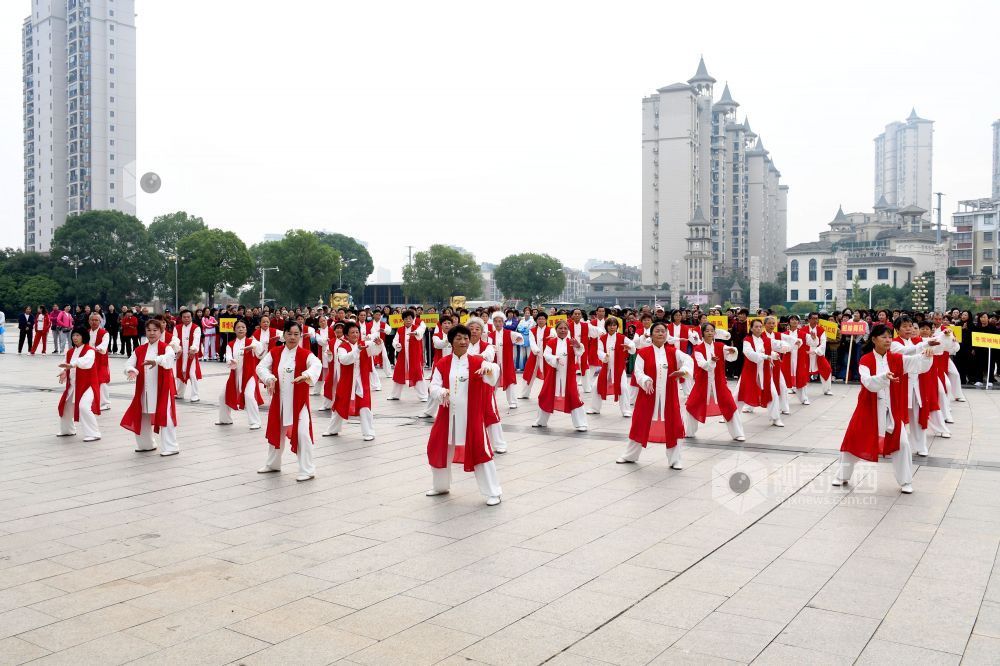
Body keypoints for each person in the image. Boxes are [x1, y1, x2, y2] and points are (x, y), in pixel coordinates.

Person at [834, 324, 934, 494]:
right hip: (868, 408)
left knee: (902, 443)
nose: (888, 340)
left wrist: (926, 356)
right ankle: (842, 475)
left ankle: (905, 481)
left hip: (891, 409)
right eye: (884, 337)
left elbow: (916, 363)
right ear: (874, 339)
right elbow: (868, 382)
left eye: (890, 337)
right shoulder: (865, 359)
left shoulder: (895, 358)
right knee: (853, 441)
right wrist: (883, 377)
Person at [425, 324, 503, 506]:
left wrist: (489, 370)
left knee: (480, 450)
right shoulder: (443, 363)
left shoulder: (476, 361)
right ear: (451, 341)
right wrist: (441, 392)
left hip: (471, 416)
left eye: (466, 338)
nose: (463, 341)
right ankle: (441, 486)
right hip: (447, 415)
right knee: (438, 447)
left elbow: (494, 370)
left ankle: (493, 492)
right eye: (459, 338)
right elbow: (433, 386)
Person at [616, 321, 693, 468]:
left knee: (674, 424)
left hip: (669, 395)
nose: (660, 333)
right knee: (640, 422)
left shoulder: (673, 351)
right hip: (648, 393)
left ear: (667, 335)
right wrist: (646, 379)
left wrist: (683, 370)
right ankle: (630, 455)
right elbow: (638, 371)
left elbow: (688, 359)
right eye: (657, 331)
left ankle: (675, 460)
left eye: (663, 331)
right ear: (651, 335)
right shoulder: (644, 352)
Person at [256, 322, 322, 482]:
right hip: (279, 400)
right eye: (289, 334)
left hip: (298, 402)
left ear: (300, 336)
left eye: (296, 334)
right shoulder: (275, 352)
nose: (292, 337)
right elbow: (261, 367)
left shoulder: (306, 354)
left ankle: (307, 469)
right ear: (284, 335)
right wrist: (269, 378)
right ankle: (273, 464)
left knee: (303, 433)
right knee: (276, 431)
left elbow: (317, 364)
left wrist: (306, 375)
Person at [891, 316, 949, 456]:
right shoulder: (894, 343)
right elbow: (907, 352)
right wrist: (924, 348)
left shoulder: (916, 340)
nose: (909, 329)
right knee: (897, 416)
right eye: (905, 326)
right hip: (900, 385)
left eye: (910, 326)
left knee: (917, 416)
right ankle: (895, 444)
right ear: (897, 329)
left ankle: (921, 446)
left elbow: (935, 344)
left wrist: (945, 334)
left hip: (916, 385)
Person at [120, 319, 179, 456]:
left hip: (162, 387)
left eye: (155, 330)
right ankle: (146, 444)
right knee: (142, 414)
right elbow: (129, 363)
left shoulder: (166, 347)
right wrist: (131, 370)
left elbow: (169, 359)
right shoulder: (140, 349)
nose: (152, 333)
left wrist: (157, 360)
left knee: (166, 415)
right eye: (149, 330)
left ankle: (171, 447)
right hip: (144, 389)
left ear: (160, 331)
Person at [686, 322, 745, 442]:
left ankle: (738, 433)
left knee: (730, 405)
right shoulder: (698, 349)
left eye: (711, 331)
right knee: (691, 405)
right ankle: (689, 432)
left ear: (714, 333)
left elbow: (729, 355)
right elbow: (702, 365)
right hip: (702, 383)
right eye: (707, 331)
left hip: (719, 383)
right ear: (702, 333)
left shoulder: (720, 346)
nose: (709, 333)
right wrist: (712, 362)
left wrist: (732, 350)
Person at [323, 321, 380, 441]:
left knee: (364, 406)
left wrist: (379, 344)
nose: (355, 334)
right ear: (347, 335)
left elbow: (375, 350)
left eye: (357, 332)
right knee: (339, 405)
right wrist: (357, 350)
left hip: (361, 381)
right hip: (346, 382)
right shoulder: (342, 348)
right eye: (352, 332)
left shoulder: (364, 344)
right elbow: (344, 360)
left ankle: (369, 432)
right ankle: (333, 429)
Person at [534, 319, 588, 431]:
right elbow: (546, 355)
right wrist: (555, 359)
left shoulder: (572, 342)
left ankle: (581, 423)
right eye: (560, 328)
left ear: (568, 330)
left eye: (565, 328)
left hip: (569, 375)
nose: (563, 330)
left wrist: (578, 346)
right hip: (553, 374)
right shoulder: (551, 342)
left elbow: (579, 353)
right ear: (556, 329)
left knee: (573, 396)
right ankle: (541, 421)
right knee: (546, 395)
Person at [216, 321, 264, 430]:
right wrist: (231, 361)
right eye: (238, 327)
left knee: (249, 396)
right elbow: (228, 356)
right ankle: (225, 419)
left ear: (246, 330)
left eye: (243, 327)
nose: (241, 329)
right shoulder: (230, 344)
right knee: (222, 395)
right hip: (235, 375)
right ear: (234, 330)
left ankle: (255, 422)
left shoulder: (252, 342)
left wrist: (254, 346)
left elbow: (260, 351)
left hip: (249, 375)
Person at [56, 327, 101, 442]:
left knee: (84, 406)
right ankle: (68, 430)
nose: (75, 338)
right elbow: (65, 364)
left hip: (88, 384)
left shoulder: (89, 350)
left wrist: (72, 365)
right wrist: (63, 372)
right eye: (73, 335)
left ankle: (94, 433)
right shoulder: (70, 351)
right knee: (65, 406)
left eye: (78, 335)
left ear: (83, 337)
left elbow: (87, 362)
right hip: (74, 384)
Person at [737, 319, 784, 427]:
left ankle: (775, 418)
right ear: (751, 328)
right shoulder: (747, 340)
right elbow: (749, 354)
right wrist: (765, 356)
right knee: (739, 393)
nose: (758, 329)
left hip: (764, 371)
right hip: (750, 371)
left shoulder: (765, 339)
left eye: (760, 327)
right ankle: (729, 415)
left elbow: (771, 349)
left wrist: (774, 354)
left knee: (773, 393)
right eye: (756, 327)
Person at [588, 318, 635, 417]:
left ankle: (626, 410)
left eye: (614, 325)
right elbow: (599, 351)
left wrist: (629, 347)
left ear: (617, 326)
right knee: (596, 386)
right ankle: (594, 408)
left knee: (623, 387)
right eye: (610, 325)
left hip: (618, 368)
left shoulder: (622, 337)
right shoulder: (602, 338)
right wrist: (604, 356)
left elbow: (631, 344)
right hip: (606, 367)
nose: (612, 327)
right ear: (606, 327)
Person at [388, 310, 428, 402]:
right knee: (398, 373)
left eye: (410, 318)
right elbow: (395, 341)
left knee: (417, 373)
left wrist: (416, 333)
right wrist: (397, 345)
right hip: (402, 355)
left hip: (414, 355)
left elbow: (421, 331)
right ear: (403, 320)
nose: (408, 320)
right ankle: (395, 395)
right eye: (406, 319)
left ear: (413, 319)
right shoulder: (400, 329)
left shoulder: (417, 328)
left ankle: (423, 395)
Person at [489, 311, 524, 410]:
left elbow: (520, 338)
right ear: (493, 323)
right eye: (496, 321)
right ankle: (490, 401)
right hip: (494, 362)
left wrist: (518, 339)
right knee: (492, 381)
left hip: (507, 361)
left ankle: (512, 402)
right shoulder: (490, 335)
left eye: (500, 321)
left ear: (503, 322)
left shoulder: (510, 333)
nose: (498, 323)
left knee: (510, 381)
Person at [519, 312, 549, 400]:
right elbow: (532, 342)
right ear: (536, 320)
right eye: (539, 319)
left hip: (547, 356)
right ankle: (524, 393)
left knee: (548, 374)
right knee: (529, 373)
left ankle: (547, 394)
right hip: (535, 355)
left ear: (546, 320)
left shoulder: (551, 330)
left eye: (543, 319)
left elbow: (553, 341)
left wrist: (546, 353)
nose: (541, 320)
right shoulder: (532, 330)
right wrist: (537, 350)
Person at [174, 309, 203, 402]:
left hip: (191, 355)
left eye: (188, 317)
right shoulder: (177, 328)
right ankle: (180, 393)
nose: (186, 319)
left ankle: (195, 395)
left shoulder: (196, 328)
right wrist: (177, 349)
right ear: (181, 318)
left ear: (191, 317)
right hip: (181, 355)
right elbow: (175, 341)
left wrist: (193, 348)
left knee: (192, 374)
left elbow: (197, 339)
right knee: (180, 373)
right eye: (184, 317)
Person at [803, 313, 834, 396]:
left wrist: (816, 351)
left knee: (826, 369)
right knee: (801, 370)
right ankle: (797, 388)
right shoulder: (803, 329)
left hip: (818, 353)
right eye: (813, 318)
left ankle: (827, 389)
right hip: (806, 354)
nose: (815, 320)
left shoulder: (821, 330)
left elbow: (823, 343)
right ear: (809, 319)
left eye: (816, 319)